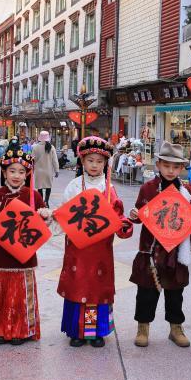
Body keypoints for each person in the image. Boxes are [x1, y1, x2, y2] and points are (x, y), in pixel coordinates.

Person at [57, 137, 133, 348]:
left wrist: (125, 224)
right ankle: (77, 330)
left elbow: (119, 218)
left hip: (101, 249)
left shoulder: (109, 189)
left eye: (99, 161)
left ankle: (96, 330)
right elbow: (64, 214)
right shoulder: (73, 186)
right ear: (82, 161)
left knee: (97, 287)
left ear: (105, 164)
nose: (94, 165)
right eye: (90, 160)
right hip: (78, 248)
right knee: (78, 284)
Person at [128, 141, 191, 348]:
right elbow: (141, 213)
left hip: (175, 250)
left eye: (176, 167)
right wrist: (135, 215)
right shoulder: (148, 187)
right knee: (146, 291)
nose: (171, 170)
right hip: (152, 249)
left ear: (182, 169)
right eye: (166, 165)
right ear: (158, 165)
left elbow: (189, 218)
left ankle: (176, 328)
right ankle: (143, 327)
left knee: (175, 292)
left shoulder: (185, 190)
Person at [0, 149, 50, 344]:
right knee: (0, 292)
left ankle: (22, 330)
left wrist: (45, 216)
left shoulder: (33, 195)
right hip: (0, 254)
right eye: (12, 171)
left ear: (27, 174)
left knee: (21, 293)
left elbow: (41, 227)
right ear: (4, 173)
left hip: (24, 255)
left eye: (21, 172)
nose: (16, 176)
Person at [32, 131, 59, 207]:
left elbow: (32, 160)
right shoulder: (51, 147)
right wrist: (57, 170)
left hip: (38, 171)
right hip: (48, 171)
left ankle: (41, 203)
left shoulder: (35, 147)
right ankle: (46, 202)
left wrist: (31, 170)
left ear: (40, 137)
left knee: (39, 188)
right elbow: (54, 160)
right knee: (48, 187)